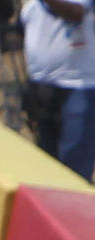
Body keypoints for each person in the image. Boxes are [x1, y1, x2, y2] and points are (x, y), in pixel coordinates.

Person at [22, 0, 95, 178]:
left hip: (78, 85)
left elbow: (75, 13)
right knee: (47, 163)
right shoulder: (30, 4)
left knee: (74, 163)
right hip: (41, 86)